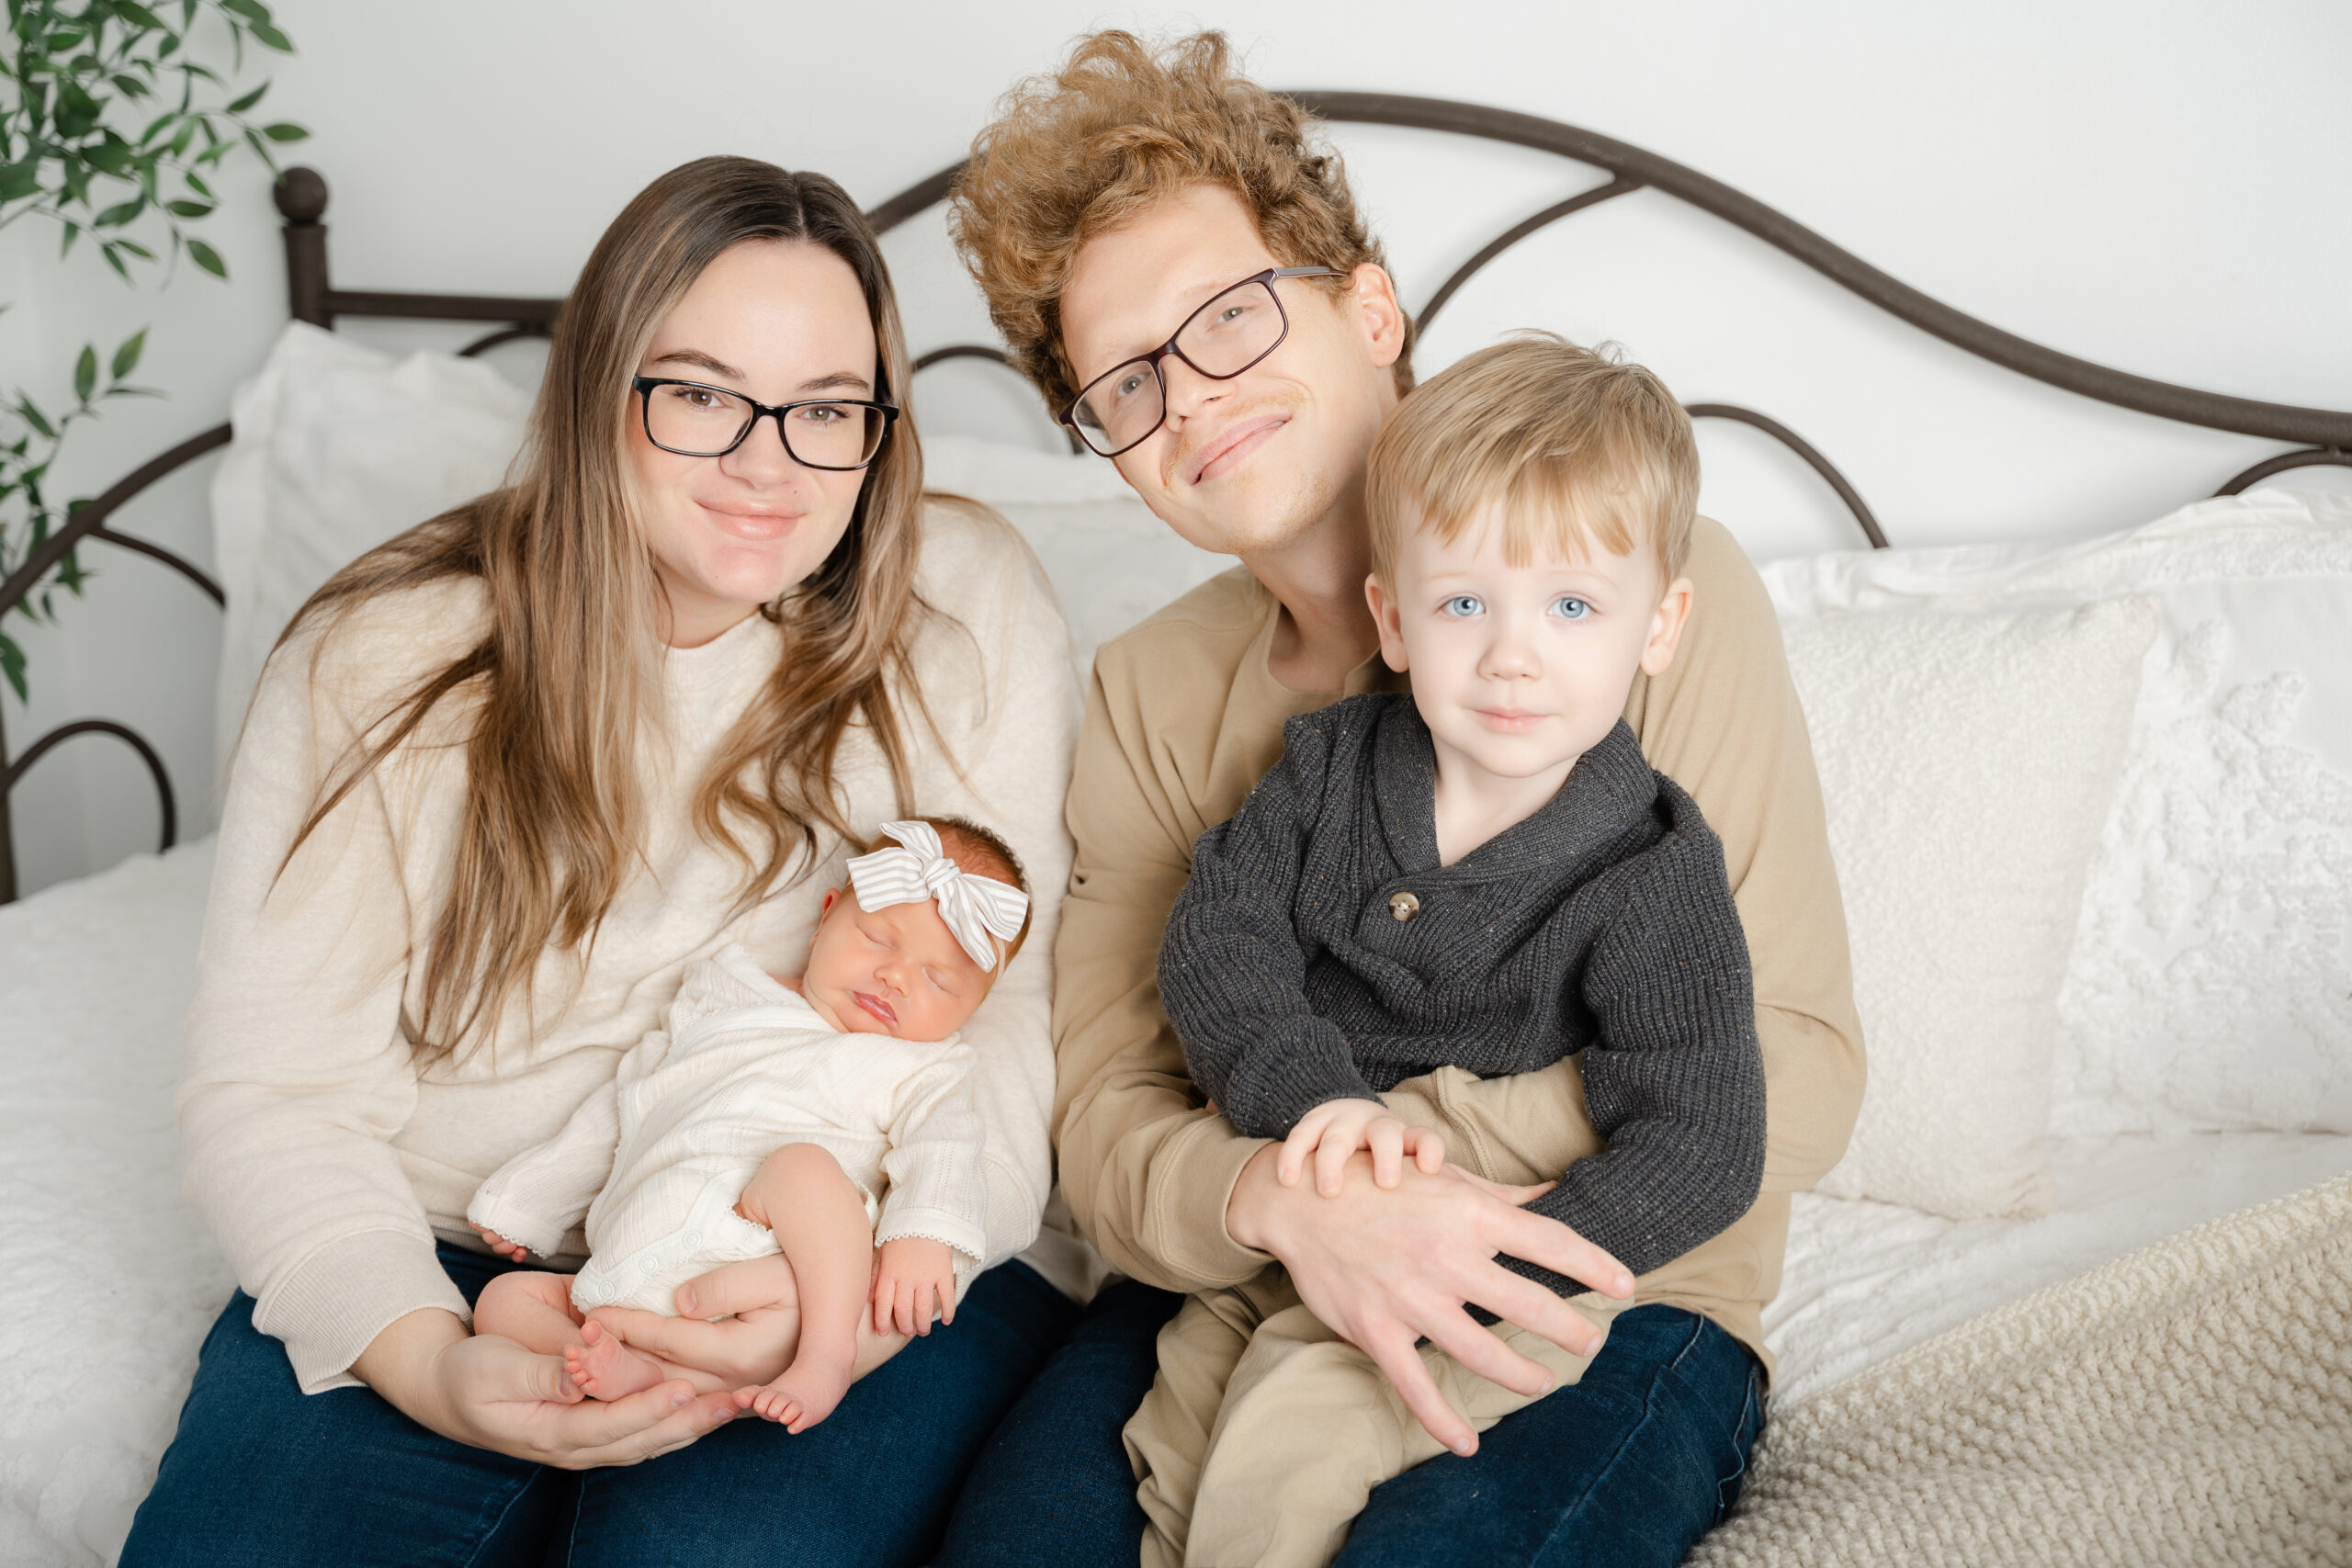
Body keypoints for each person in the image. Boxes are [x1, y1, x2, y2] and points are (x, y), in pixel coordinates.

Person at [938, 31, 1863, 1568]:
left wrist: (1399, 1173)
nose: (1192, 398)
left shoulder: (1631, 594)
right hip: (1247, 1271)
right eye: (1127, 380)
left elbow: (1802, 1068)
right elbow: (1104, 1131)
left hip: (1617, 1276)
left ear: (1372, 307)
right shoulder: (1156, 696)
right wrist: (1298, 1206)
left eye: (1231, 317)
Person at [125, 157, 1079, 1568]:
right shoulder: (386, 659)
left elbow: (1001, 1015)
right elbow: (274, 1089)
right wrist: (424, 1353)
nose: (769, 465)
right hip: (460, 1240)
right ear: (597, 398)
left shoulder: (962, 605)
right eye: (700, 393)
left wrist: (834, 1316)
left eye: (826, 409)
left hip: (850, 1228)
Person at [1129, 335, 1767, 1568]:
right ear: (1394, 617)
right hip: (1305, 1195)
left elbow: (1704, 1132)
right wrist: (1310, 1091)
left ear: (1660, 625)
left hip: (1507, 1252)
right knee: (1171, 1451)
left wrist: (1508, 1245)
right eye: (1464, 601)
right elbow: (1220, 941)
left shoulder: (1651, 872)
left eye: (1573, 604)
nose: (1514, 653)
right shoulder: (1326, 772)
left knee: (1290, 1452)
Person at [469, 817, 1033, 1435]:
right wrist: (532, 1199)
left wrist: (925, 1231)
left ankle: (825, 1355)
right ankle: (634, 1376)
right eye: (877, 938)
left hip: (769, 1259)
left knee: (803, 1166)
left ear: (973, 1008)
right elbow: (629, 1102)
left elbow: (947, 1148)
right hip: (627, 1261)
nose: (896, 976)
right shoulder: (725, 996)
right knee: (502, 1301)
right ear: (826, 915)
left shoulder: (926, 1067)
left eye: (939, 978)